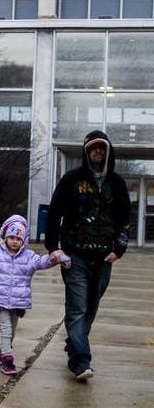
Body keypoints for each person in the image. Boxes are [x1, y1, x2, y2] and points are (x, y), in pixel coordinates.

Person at [45, 130, 131, 381]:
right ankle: (80, 361)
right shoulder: (71, 180)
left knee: (91, 308)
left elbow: (125, 218)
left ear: (108, 152)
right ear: (86, 152)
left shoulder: (117, 183)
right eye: (93, 148)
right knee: (78, 307)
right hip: (75, 256)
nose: (98, 152)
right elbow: (53, 215)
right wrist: (53, 248)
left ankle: (75, 343)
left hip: (104, 257)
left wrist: (120, 248)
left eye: (102, 148)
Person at [0, 215, 67, 375]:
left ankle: (4, 351)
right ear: (5, 237)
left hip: (18, 301)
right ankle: (7, 359)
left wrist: (53, 259)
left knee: (12, 331)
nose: (14, 241)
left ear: (24, 240)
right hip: (0, 300)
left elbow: (42, 262)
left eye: (18, 238)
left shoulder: (29, 257)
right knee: (6, 329)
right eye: (11, 237)